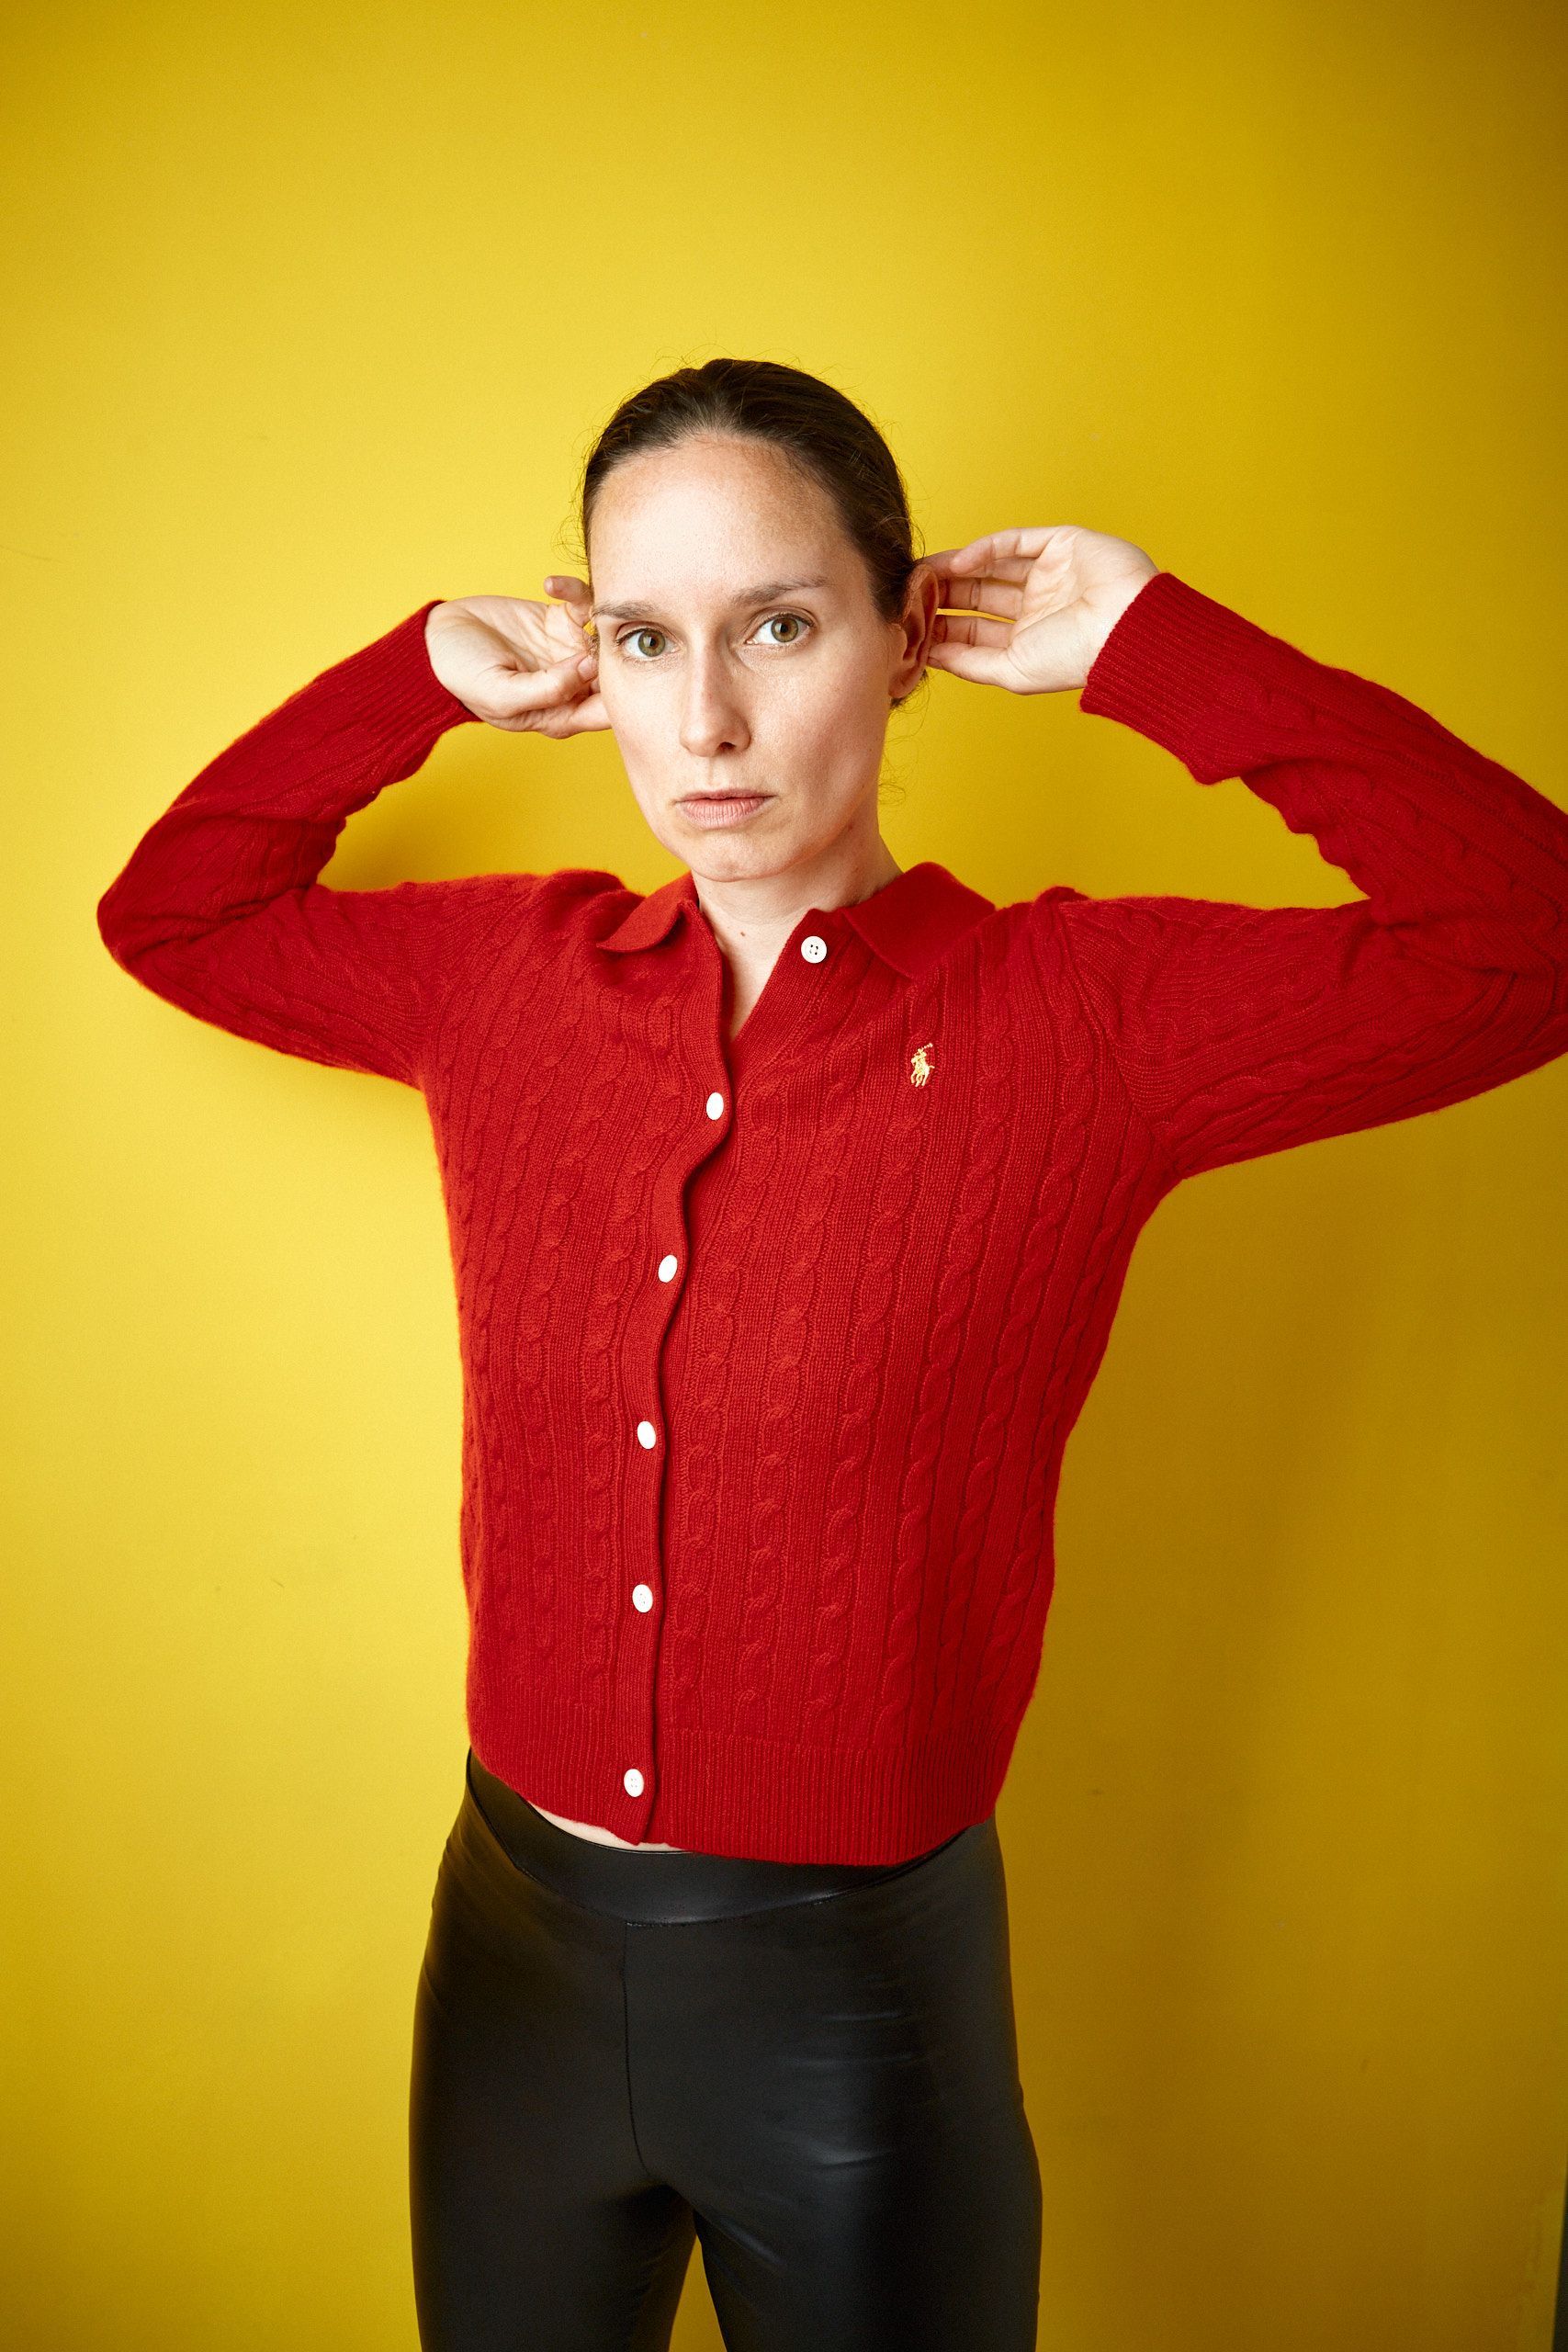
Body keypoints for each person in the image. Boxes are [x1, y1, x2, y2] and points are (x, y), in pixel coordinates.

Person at [96, 357, 1568, 2351]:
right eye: (645, 638)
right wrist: (415, 675)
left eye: (777, 626)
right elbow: (174, 914)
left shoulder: (1079, 1019)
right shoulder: (501, 982)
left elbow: (1527, 941)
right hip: (510, 1959)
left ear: (907, 641)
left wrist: (1153, 648)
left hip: (855, 2016)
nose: (701, 721)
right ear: (588, 652)